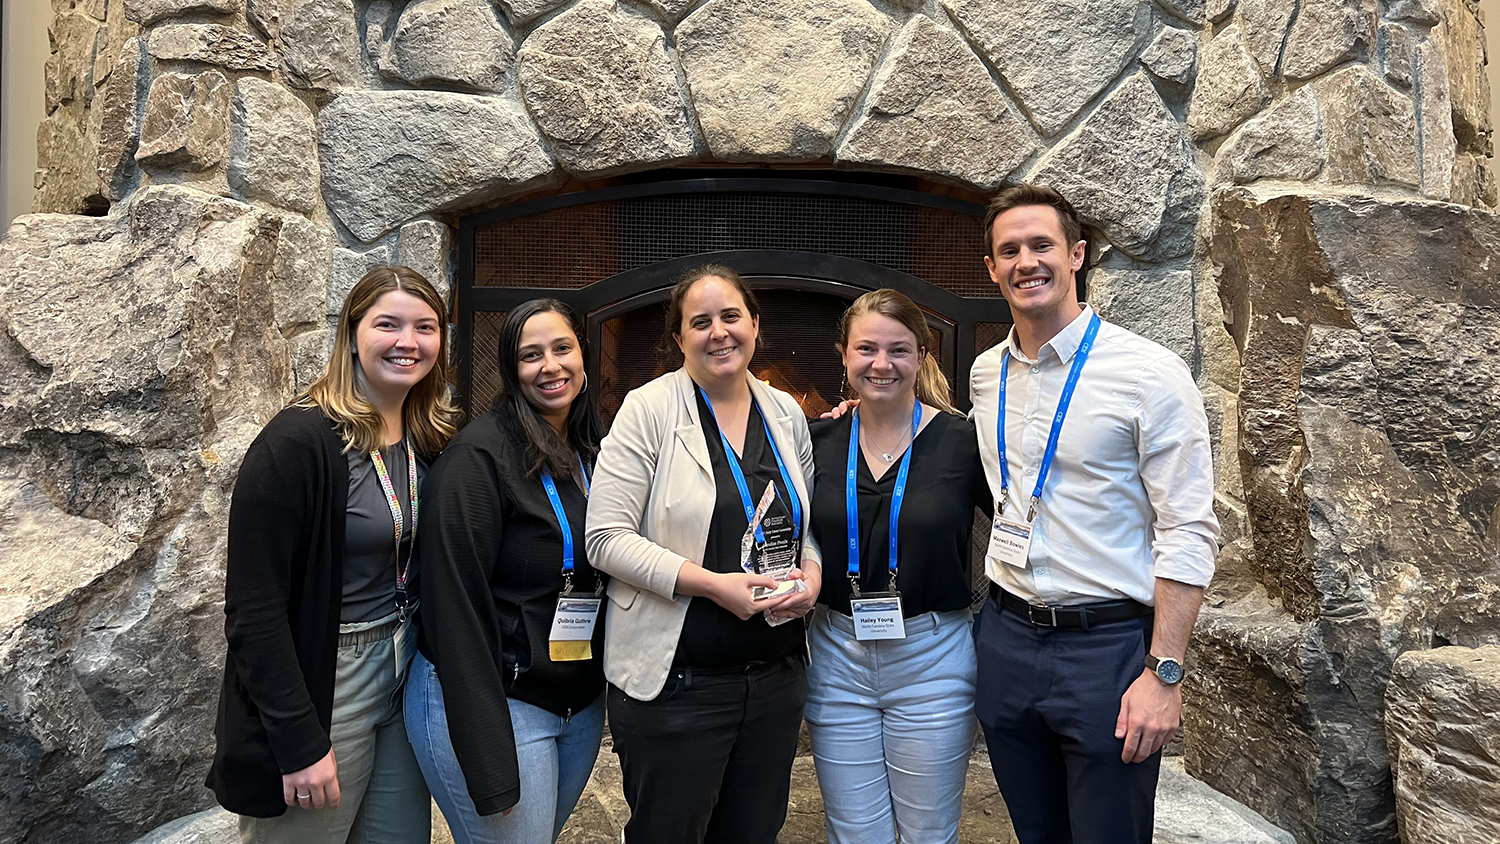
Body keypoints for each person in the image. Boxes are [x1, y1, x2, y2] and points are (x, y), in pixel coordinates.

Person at [970, 184, 1220, 843]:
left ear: (1076, 255)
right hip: (1006, 637)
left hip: (1106, 651)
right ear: (992, 269)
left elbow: (1188, 529)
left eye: (1042, 245)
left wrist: (1164, 674)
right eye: (1010, 250)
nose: (1027, 260)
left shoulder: (1149, 373)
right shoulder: (985, 374)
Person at [208, 265, 457, 844]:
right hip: (329, 675)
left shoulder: (433, 436)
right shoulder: (294, 444)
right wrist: (299, 742)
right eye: (388, 324)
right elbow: (254, 609)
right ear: (351, 333)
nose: (408, 342)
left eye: (425, 327)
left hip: (406, 665)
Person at [585, 264, 823, 844]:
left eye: (731, 316)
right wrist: (712, 584)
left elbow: (802, 524)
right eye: (700, 322)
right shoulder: (648, 410)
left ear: (755, 326)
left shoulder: (786, 412)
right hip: (678, 687)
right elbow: (604, 538)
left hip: (774, 682)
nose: (718, 332)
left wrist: (812, 576)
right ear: (679, 338)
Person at [405, 299, 608, 844]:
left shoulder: (594, 446)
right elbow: (454, 610)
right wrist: (489, 761)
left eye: (562, 348)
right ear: (510, 370)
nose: (551, 366)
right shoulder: (478, 460)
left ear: (583, 356)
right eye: (530, 355)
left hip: (575, 701)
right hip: (495, 700)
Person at [805, 289, 990, 844]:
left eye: (898, 350)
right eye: (866, 349)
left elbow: (1022, 522)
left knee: (928, 833)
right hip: (837, 656)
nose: (881, 364)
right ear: (843, 355)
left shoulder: (964, 443)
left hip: (932, 658)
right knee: (853, 832)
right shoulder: (814, 441)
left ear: (922, 356)